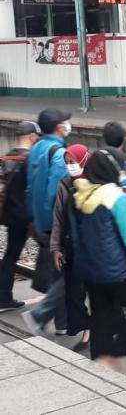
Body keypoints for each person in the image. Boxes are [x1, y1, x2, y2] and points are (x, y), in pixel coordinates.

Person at [72, 148, 126, 371]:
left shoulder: (81, 194)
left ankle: (99, 362)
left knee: (100, 316)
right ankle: (115, 353)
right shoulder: (116, 198)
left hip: (88, 270)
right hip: (116, 271)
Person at [21, 108, 71, 336]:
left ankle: (62, 323)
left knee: (56, 271)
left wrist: (36, 220)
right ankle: (39, 314)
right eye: (65, 121)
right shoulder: (59, 153)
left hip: (41, 222)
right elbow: (56, 193)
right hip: (54, 224)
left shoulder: (37, 148)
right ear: (59, 126)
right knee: (69, 273)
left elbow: (30, 188)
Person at [49, 144, 92, 351]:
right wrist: (56, 247)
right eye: (67, 163)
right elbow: (58, 218)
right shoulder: (64, 185)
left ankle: (91, 333)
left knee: (98, 292)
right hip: (73, 248)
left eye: (73, 161)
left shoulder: (97, 180)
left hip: (95, 249)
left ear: (83, 160)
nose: (70, 166)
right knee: (73, 294)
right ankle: (87, 327)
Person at [0, 121, 40, 312]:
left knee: (10, 255)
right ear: (32, 136)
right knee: (54, 252)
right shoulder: (31, 159)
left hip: (11, 214)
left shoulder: (7, 156)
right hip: (29, 216)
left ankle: (4, 297)